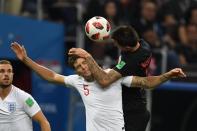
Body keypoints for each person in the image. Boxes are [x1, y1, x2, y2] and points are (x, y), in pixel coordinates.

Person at [11, 42, 185, 131]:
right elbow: (51, 76)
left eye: (83, 63)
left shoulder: (113, 75)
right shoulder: (78, 81)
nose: (82, 68)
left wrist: (167, 75)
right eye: (78, 67)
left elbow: (145, 82)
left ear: (90, 60)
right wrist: (26, 60)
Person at [69, 25, 152, 131]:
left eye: (117, 44)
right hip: (132, 105)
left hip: (132, 111)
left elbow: (104, 81)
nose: (115, 45)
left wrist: (87, 56)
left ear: (126, 48)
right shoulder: (142, 44)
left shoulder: (131, 61)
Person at [0, 60, 51, 131]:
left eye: (9, 71)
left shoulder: (25, 98)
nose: (6, 74)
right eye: (2, 71)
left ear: (12, 74)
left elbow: (44, 123)